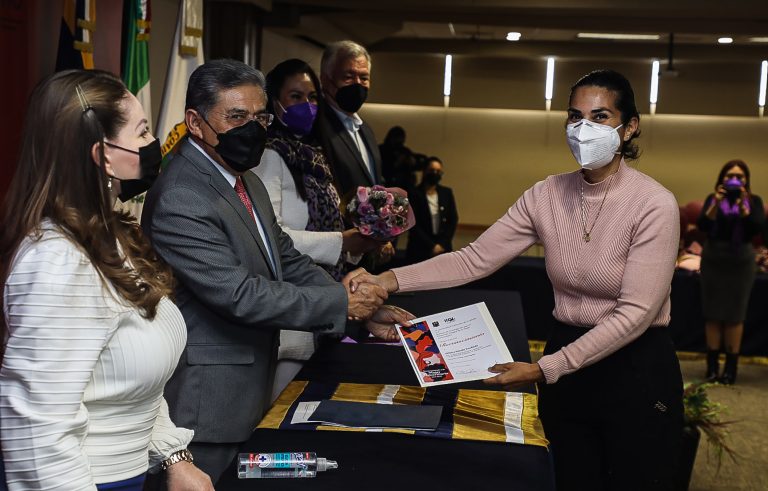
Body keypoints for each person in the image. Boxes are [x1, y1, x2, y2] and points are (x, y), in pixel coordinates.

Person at [347, 69, 684, 490]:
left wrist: (545, 369)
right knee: (573, 477)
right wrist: (386, 280)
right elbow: (474, 259)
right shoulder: (546, 194)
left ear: (629, 126)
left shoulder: (654, 203)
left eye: (600, 117)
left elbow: (636, 313)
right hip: (568, 357)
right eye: (574, 117)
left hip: (633, 365)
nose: (584, 129)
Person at [141, 59, 405, 482]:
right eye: (236, 117)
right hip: (204, 403)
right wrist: (343, 302)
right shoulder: (182, 196)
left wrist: (360, 309)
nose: (253, 128)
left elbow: (284, 258)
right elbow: (240, 294)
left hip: (243, 385)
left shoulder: (244, 180)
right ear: (194, 121)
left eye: (260, 116)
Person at [0, 70, 212, 491]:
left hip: (128, 474)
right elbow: (38, 431)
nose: (155, 144)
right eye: (143, 131)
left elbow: (131, 380)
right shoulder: (57, 261)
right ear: (104, 155)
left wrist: (173, 453)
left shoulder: (110, 235)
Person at [254, 58, 380, 400]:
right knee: (279, 413)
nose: (307, 106)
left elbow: (327, 223)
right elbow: (269, 235)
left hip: (319, 298)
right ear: (272, 102)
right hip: (288, 310)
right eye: (295, 97)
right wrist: (342, 242)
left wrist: (359, 243)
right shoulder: (267, 155)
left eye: (312, 98)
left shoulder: (313, 155)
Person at [316, 40, 395, 266]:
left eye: (364, 77)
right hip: (333, 252)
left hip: (366, 254)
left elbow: (372, 186)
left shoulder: (365, 129)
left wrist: (382, 232)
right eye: (348, 77)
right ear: (326, 79)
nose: (358, 84)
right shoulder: (316, 126)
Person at [697, 160, 765, 384]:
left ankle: (731, 369)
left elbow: (757, 230)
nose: (734, 180)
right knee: (713, 314)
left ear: (746, 181)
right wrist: (715, 203)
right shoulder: (713, 198)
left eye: (740, 177)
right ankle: (712, 367)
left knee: (735, 315)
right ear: (722, 179)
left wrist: (745, 208)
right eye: (729, 176)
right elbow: (702, 226)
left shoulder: (753, 201)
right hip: (714, 259)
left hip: (740, 262)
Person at [405, 156, 458, 265]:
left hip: (442, 249)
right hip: (419, 249)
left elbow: (453, 219)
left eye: (438, 171)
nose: (435, 173)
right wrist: (432, 246)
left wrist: (441, 244)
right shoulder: (413, 193)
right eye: (432, 170)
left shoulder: (446, 193)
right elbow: (413, 224)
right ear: (424, 171)